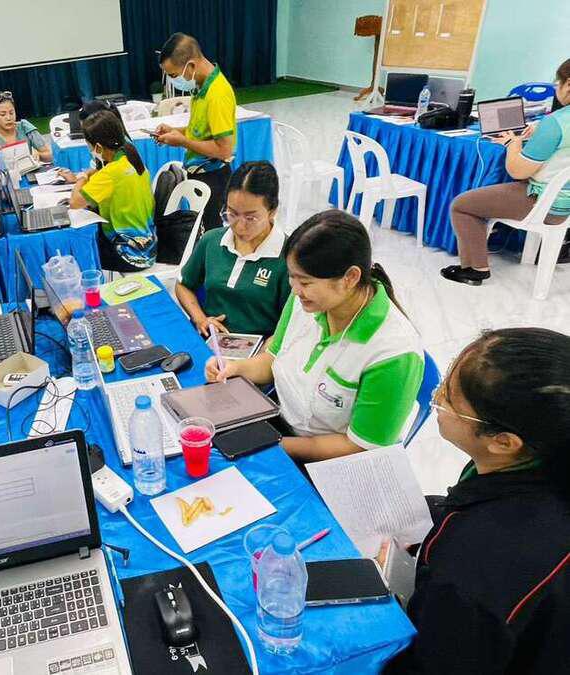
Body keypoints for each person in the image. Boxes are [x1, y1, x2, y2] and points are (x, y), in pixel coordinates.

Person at [385, 328, 570, 674]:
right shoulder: (543, 458)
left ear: (503, 441)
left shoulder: (472, 575)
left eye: (449, 399)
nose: (436, 395)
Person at [206, 210, 424, 462]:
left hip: (329, 460)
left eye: (306, 282)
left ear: (350, 278)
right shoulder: (306, 301)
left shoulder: (394, 354)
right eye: (292, 278)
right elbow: (273, 359)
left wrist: (274, 445)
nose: (295, 290)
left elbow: (360, 447)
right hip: (281, 425)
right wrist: (235, 368)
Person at [441, 58, 570, 285]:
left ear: (568, 84)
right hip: (566, 203)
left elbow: (518, 171)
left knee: (461, 206)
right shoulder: (553, 124)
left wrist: (512, 143)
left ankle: (475, 269)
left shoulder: (556, 123)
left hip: (546, 203)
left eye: (557, 83)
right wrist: (539, 132)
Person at [176, 161, 290, 337]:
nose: (240, 226)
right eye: (232, 213)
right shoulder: (212, 241)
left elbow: (291, 323)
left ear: (272, 211)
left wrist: (267, 349)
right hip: (212, 338)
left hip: (261, 347)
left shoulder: (289, 257)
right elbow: (184, 285)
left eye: (251, 218)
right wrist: (201, 319)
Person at [155, 32, 237, 231]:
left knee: (212, 234)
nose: (172, 81)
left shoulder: (217, 95)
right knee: (200, 231)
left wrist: (182, 142)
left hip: (213, 178)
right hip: (199, 174)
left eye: (173, 75)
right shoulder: (201, 87)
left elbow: (224, 150)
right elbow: (200, 131)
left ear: (190, 66)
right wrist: (175, 131)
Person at [62, 110, 157, 272]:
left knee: (75, 249)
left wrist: (81, 177)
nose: (89, 149)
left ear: (98, 147)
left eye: (89, 145)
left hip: (126, 254)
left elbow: (75, 203)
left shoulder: (110, 173)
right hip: (148, 248)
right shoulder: (131, 158)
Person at [0, 90, 53, 163]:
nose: (8, 118)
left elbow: (50, 155)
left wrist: (39, 155)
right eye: (3, 114)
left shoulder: (24, 127)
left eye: (11, 113)